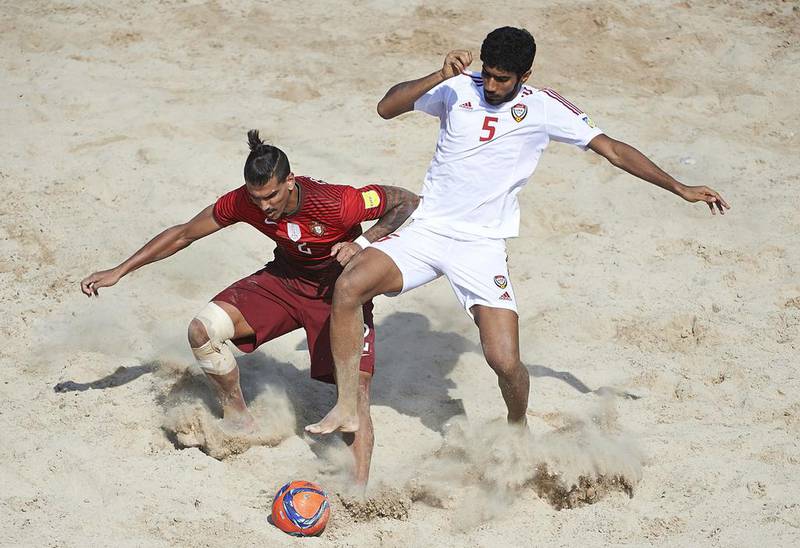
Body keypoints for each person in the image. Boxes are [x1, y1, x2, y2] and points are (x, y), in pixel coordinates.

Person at [305, 26, 730, 435]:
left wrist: (679, 187)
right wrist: (439, 74)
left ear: (524, 76)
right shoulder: (457, 87)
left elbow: (613, 149)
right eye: (487, 73)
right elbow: (386, 107)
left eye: (501, 78)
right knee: (348, 288)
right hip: (428, 228)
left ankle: (516, 426)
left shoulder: (544, 107)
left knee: (504, 361)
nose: (490, 85)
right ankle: (346, 406)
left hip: (482, 246)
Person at [80, 130, 419, 484]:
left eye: (271, 195)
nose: (264, 206)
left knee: (356, 394)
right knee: (202, 330)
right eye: (256, 198)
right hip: (284, 282)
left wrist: (363, 242)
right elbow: (184, 233)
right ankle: (239, 418)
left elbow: (406, 201)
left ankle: (357, 491)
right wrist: (120, 270)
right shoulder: (245, 201)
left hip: (340, 296)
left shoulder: (338, 202)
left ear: (290, 181)